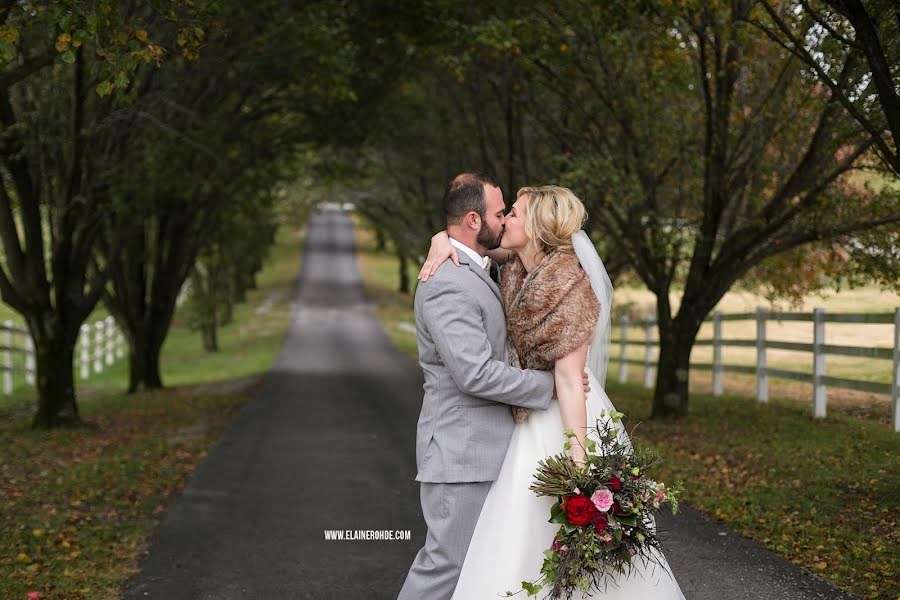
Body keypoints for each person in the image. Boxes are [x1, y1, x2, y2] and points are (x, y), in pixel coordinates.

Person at [419, 185, 685, 599]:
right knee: (508, 544)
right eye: (502, 212)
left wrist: (580, 469)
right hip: (527, 415)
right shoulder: (515, 267)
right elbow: (473, 246)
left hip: (564, 414)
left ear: (538, 227)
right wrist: (441, 239)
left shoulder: (567, 281)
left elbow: (567, 380)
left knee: (546, 544)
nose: (506, 219)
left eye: (515, 213)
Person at [398, 174, 574, 600]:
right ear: (474, 220)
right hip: (461, 453)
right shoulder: (445, 285)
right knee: (447, 565)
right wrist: (548, 386)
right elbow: (474, 373)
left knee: (480, 566)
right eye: (500, 213)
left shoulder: (482, 267)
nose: (505, 218)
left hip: (485, 451)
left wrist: (442, 236)